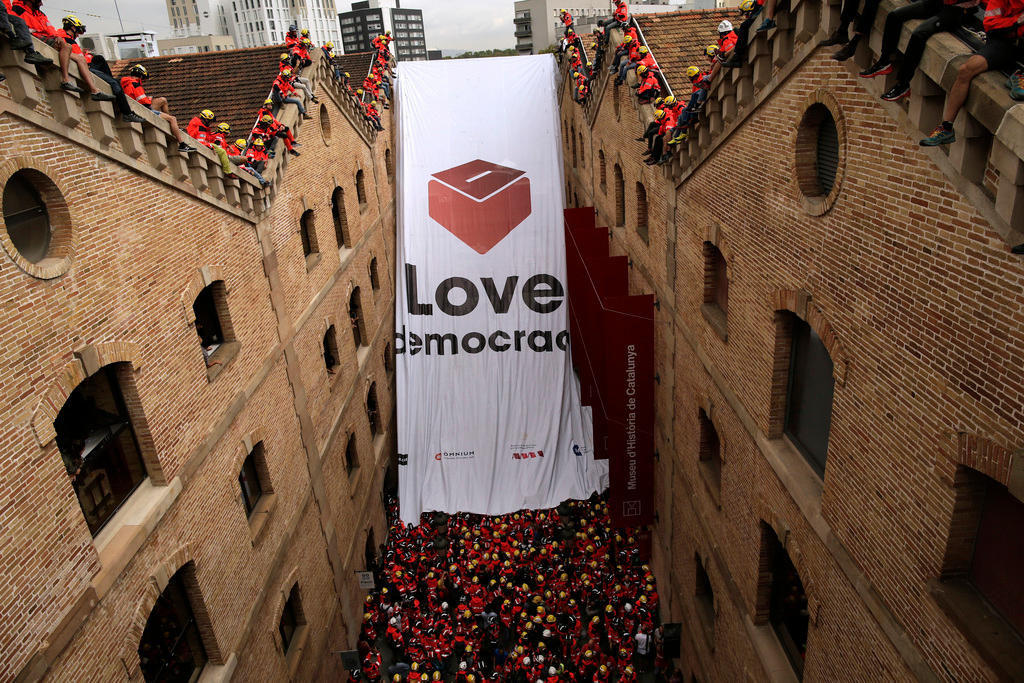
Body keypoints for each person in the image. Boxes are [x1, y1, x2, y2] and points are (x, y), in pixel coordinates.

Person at [920, 0, 1024, 145]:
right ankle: (946, 128)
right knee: (965, 70)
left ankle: (1020, 76)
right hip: (1005, 41)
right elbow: (991, 25)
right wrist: (1016, 22)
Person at [857, 0, 980, 101]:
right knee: (894, 15)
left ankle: (903, 84)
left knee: (920, 33)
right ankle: (884, 61)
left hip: (958, 9)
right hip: (938, 3)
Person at [11, 5, 115, 101]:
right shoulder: (18, 8)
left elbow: (50, 28)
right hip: (35, 37)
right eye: (79, 31)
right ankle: (66, 80)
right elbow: (16, 22)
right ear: (73, 28)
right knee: (73, 50)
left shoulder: (40, 14)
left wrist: (56, 36)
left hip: (49, 38)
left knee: (80, 58)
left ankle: (94, 90)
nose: (41, 3)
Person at [120, 64, 195, 152]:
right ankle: (182, 144)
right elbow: (144, 102)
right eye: (143, 78)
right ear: (140, 75)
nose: (143, 80)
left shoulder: (125, 82)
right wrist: (149, 99)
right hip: (143, 109)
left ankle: (172, 126)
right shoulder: (136, 84)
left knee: (163, 100)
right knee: (172, 119)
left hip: (134, 107)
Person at [0, 0, 53, 69]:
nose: (41, 4)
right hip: (3, 16)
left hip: (6, 14)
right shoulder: (19, 9)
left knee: (20, 21)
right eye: (39, 1)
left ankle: (31, 53)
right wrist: (9, 31)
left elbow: (7, 11)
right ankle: (14, 38)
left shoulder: (40, 14)